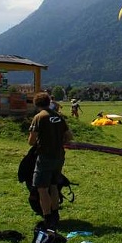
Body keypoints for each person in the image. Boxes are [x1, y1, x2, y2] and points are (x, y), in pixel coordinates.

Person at [28, 92, 73, 230]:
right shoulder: (58, 116)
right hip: (59, 156)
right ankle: (55, 214)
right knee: (54, 185)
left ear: (36, 104)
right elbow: (69, 136)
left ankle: (47, 218)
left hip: (45, 157)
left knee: (42, 188)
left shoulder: (39, 117)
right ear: (49, 102)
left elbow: (31, 141)